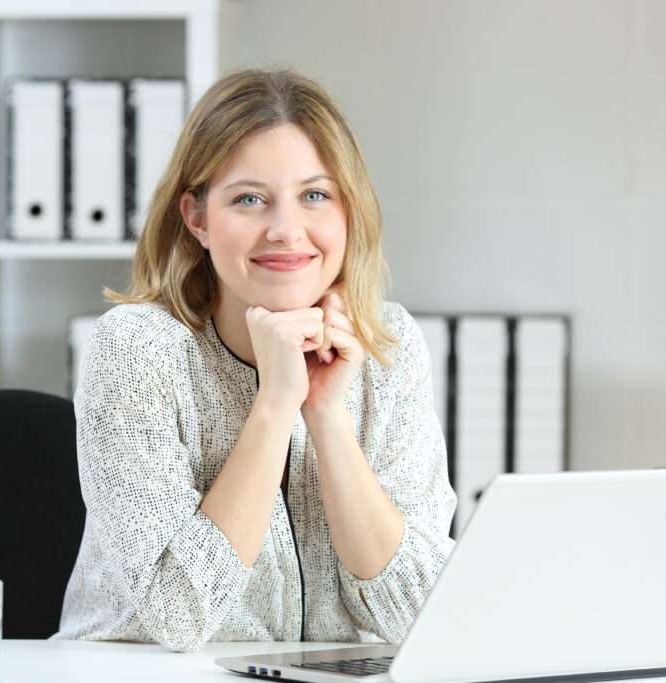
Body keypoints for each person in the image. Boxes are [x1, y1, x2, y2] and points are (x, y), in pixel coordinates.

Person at [52, 67, 456, 653]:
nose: (286, 231)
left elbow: (422, 617)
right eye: (249, 200)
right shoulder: (137, 349)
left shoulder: (387, 341)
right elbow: (177, 613)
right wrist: (274, 405)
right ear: (197, 218)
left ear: (348, 212)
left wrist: (326, 415)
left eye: (314, 196)